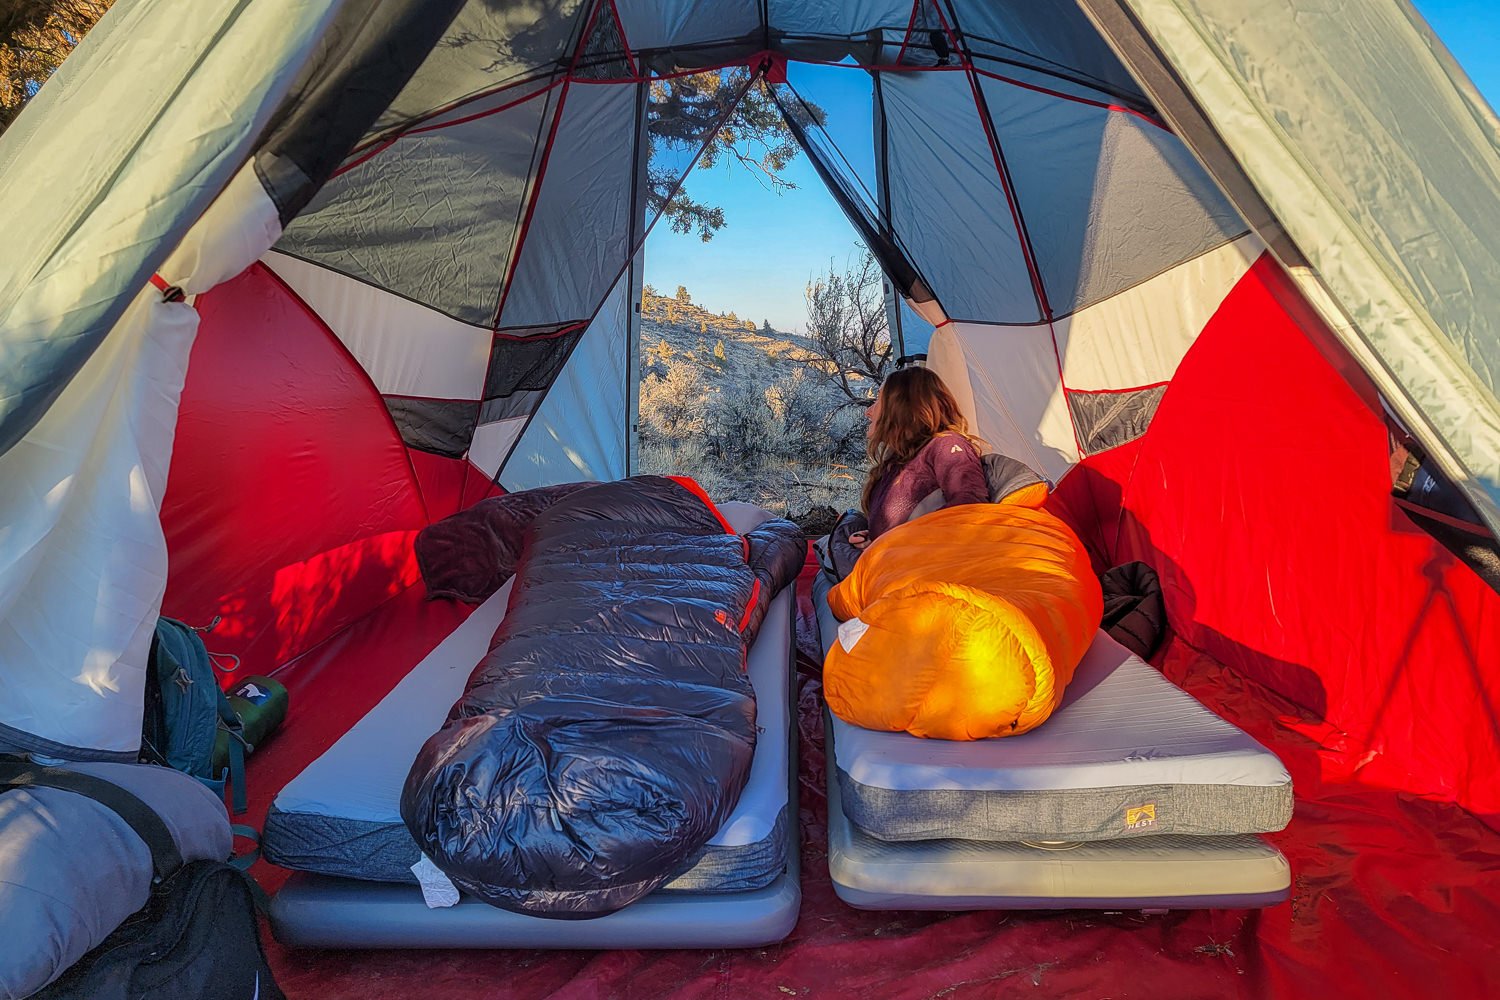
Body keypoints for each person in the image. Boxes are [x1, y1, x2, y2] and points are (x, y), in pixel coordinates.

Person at [846, 366, 988, 551]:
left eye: (878, 400)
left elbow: (970, 508)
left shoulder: (945, 446)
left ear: (901, 406)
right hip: (890, 566)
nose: (869, 411)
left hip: (917, 573)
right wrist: (875, 537)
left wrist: (895, 542)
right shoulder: (898, 460)